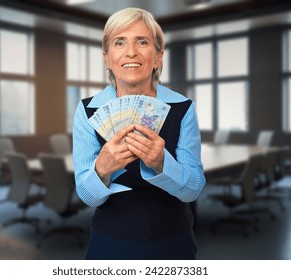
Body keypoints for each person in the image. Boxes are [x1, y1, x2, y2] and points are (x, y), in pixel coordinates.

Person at [72, 7, 206, 260]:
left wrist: (162, 163)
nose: (130, 52)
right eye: (119, 42)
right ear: (107, 58)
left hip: (174, 241)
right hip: (110, 242)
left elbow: (193, 189)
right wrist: (102, 169)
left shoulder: (183, 108)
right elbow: (87, 196)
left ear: (157, 57)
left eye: (142, 42)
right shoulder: (87, 110)